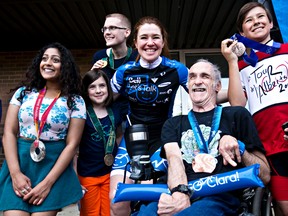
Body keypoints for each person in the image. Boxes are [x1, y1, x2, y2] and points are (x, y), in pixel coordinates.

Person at [136, 59, 270, 216]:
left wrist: (239, 147)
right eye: (192, 77)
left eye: (205, 76)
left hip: (218, 197)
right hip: (177, 190)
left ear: (217, 86)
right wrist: (180, 193)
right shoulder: (173, 123)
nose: (197, 81)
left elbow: (265, 175)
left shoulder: (236, 115)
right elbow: (174, 159)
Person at [109, 16, 189, 216]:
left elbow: (203, 93)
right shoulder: (123, 72)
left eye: (156, 37)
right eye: (144, 38)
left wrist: (235, 89)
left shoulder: (177, 69)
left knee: (151, 198)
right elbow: (101, 99)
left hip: (163, 140)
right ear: (135, 43)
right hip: (132, 140)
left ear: (163, 42)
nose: (150, 43)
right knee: (117, 201)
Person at [0, 42, 86, 215]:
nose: (48, 63)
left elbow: (72, 144)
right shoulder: (23, 93)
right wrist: (15, 173)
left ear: (65, 66)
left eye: (55, 60)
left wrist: (48, 183)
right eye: (44, 58)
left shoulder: (75, 101)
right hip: (20, 162)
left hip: (52, 167)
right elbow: (9, 133)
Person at [221, 2, 288, 215]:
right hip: (270, 146)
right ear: (242, 32)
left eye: (261, 17)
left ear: (270, 23)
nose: (256, 22)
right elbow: (237, 104)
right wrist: (232, 61)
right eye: (248, 20)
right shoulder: (241, 66)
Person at [77, 69, 122, 216]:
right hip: (87, 175)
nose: (98, 90)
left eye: (102, 86)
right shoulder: (81, 113)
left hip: (111, 173)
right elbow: (73, 147)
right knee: (91, 213)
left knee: (110, 212)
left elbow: (119, 136)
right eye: (92, 87)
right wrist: (74, 177)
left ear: (108, 88)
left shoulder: (115, 111)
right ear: (86, 90)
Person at [91, 13, 138, 142]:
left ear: (127, 32)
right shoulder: (99, 57)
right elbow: (92, 90)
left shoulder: (137, 56)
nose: (107, 32)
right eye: (105, 29)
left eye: (112, 28)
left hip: (133, 116)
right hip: (108, 116)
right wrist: (93, 74)